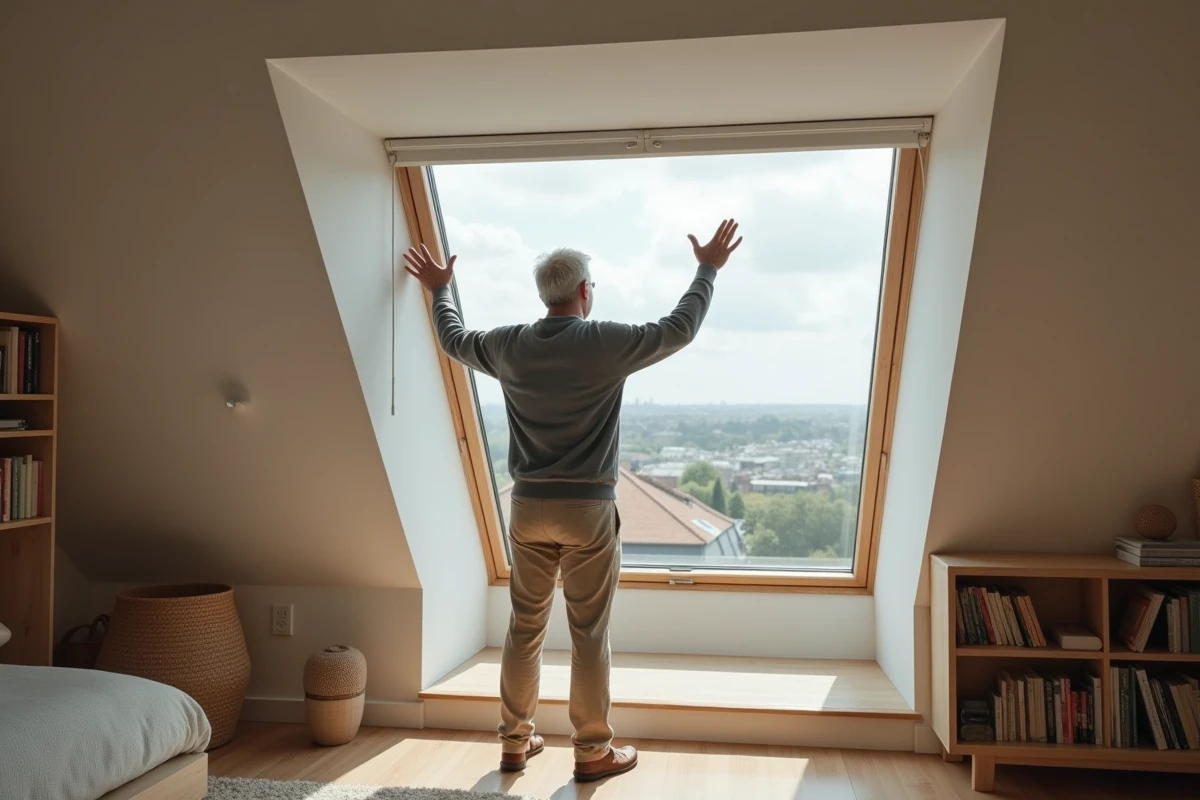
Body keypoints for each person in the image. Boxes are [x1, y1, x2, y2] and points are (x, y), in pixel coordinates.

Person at [403, 219, 742, 783]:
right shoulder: (605, 341)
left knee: (524, 628)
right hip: (587, 511)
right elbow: (679, 328)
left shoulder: (508, 344)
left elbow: (453, 339)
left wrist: (441, 290)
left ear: (546, 293)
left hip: (527, 508)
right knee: (588, 634)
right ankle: (591, 752)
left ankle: (515, 743)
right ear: (585, 290)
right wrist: (707, 268)